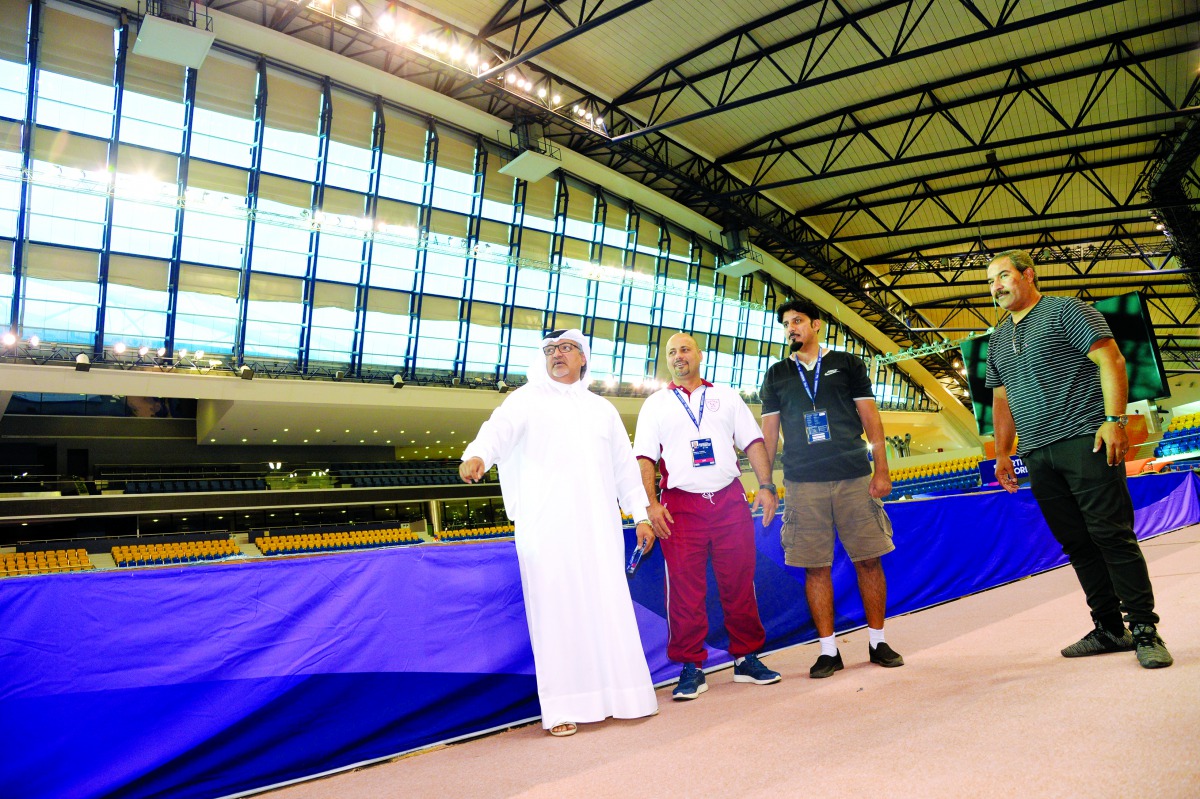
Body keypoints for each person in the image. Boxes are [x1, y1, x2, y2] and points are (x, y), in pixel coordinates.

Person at [459, 329, 660, 736]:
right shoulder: (526, 400)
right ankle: (563, 709)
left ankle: (625, 696)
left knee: (608, 607)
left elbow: (625, 469)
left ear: (583, 358)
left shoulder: (601, 409)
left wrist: (640, 514)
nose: (557, 354)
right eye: (550, 349)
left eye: (566, 348)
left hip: (597, 528)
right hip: (545, 528)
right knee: (555, 615)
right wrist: (477, 455)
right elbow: (496, 430)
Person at [985, 249, 1172, 669]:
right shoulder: (996, 339)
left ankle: (1144, 628)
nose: (996, 286)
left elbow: (1112, 359)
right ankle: (1109, 627)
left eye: (1003, 276)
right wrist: (1002, 453)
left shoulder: (1065, 310)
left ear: (1028, 275)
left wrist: (1114, 420)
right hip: (1036, 452)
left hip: (1084, 439)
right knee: (1076, 543)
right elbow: (1001, 401)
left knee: (1111, 535)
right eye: (990, 281)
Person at [633, 333, 782, 700]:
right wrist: (650, 506)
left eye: (685, 349)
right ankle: (691, 667)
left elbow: (753, 442)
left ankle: (746, 657)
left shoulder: (726, 396)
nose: (679, 357)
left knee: (739, 582)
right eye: (671, 353)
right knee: (684, 590)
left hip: (729, 500)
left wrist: (767, 485)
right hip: (680, 507)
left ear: (699, 354)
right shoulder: (655, 404)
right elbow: (644, 459)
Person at [760, 298, 903, 678]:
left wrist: (882, 469)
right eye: (786, 323)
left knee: (869, 559)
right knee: (815, 567)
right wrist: (765, 483)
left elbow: (871, 418)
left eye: (798, 321)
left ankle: (878, 641)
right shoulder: (776, 375)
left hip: (854, 476)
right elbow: (769, 433)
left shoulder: (847, 364)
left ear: (817, 324)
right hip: (802, 483)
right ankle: (828, 651)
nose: (792, 328)